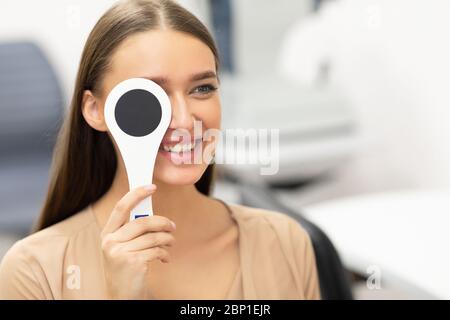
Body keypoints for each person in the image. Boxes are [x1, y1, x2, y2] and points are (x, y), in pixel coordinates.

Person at [0, 0, 320, 300]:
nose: (183, 119)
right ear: (95, 109)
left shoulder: (284, 242)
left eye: (202, 88)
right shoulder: (35, 271)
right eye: (150, 94)